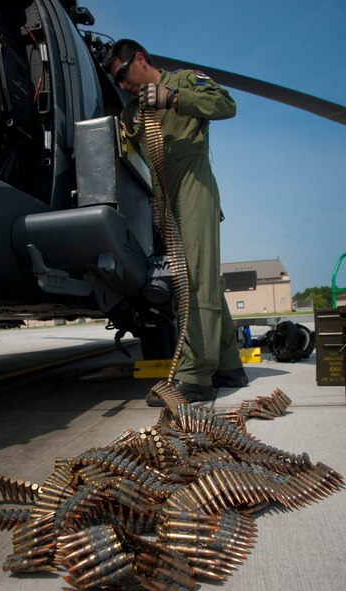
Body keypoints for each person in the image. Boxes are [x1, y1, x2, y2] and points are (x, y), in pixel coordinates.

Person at [105, 39, 248, 404]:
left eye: (123, 74)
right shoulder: (132, 114)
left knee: (194, 281)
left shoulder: (184, 81)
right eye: (117, 82)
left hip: (195, 188)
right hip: (166, 202)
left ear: (139, 59)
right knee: (204, 280)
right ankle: (229, 365)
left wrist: (170, 98)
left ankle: (194, 376)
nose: (123, 85)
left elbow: (225, 104)